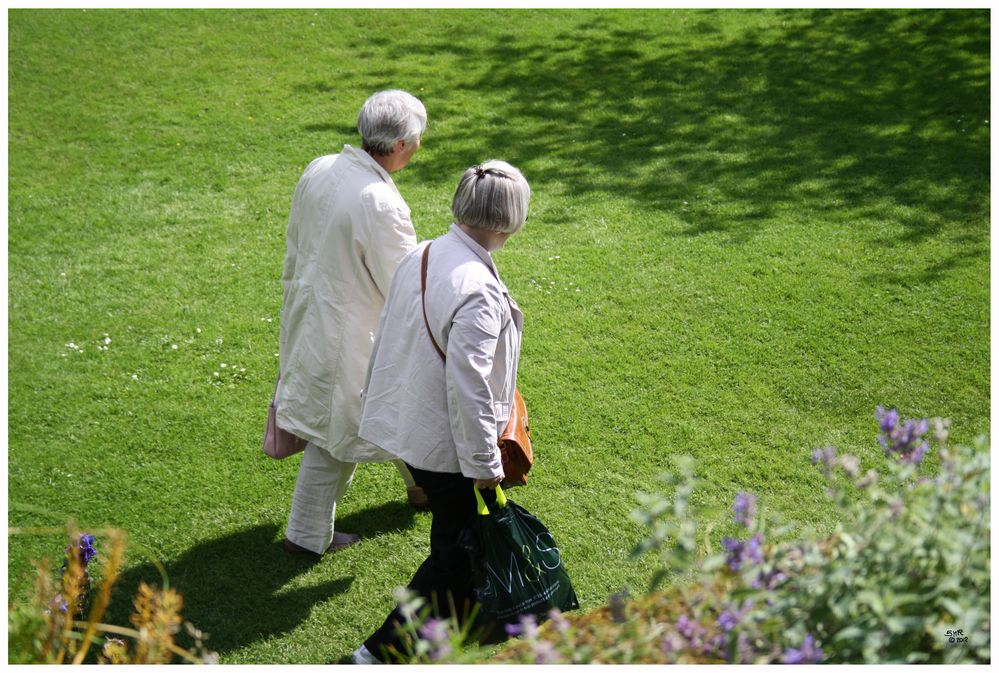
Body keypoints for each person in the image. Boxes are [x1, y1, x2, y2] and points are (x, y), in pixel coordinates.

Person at [352, 160, 531, 663]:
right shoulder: (477, 290)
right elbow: (469, 389)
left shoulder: (426, 252)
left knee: (455, 546)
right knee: (457, 554)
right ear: (509, 220)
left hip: (414, 426)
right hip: (447, 445)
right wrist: (484, 468)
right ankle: (376, 655)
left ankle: (447, 638)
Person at [275, 89, 430, 557]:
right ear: (402, 145)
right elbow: (402, 283)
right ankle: (305, 535)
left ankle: (425, 489)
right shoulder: (380, 202)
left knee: (379, 411)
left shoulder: (321, 167)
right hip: (350, 331)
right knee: (340, 431)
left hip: (310, 315)